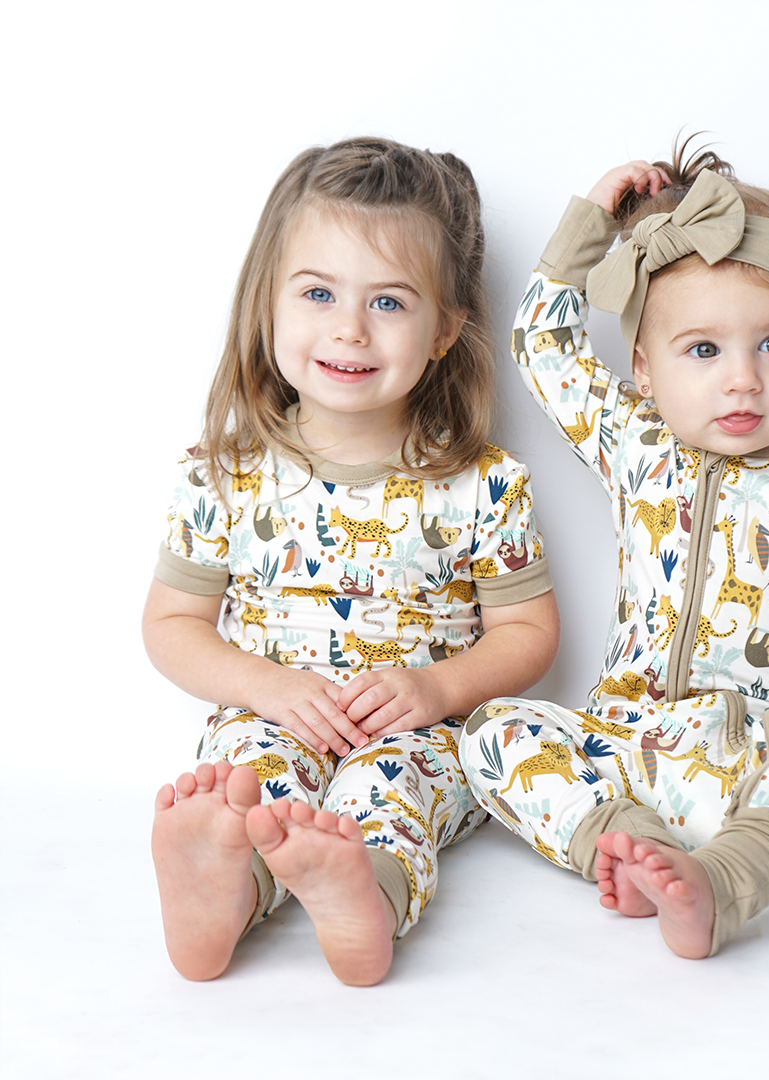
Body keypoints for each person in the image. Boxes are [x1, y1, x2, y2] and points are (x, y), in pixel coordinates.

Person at [458, 142, 769, 960]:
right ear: (642, 368)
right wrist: (591, 229)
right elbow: (544, 347)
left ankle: (726, 881)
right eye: (704, 351)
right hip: (626, 746)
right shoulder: (637, 450)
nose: (742, 380)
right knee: (492, 731)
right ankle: (624, 844)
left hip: (759, 762)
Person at [147, 137, 559, 986]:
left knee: (389, 795)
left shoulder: (481, 484)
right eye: (320, 293)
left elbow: (528, 631)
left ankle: (361, 891)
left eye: (390, 303)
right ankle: (223, 892)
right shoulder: (222, 472)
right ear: (268, 303)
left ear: (446, 329)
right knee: (245, 789)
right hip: (273, 716)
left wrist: (436, 691)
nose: (349, 328)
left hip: (419, 734)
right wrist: (267, 688)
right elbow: (170, 626)